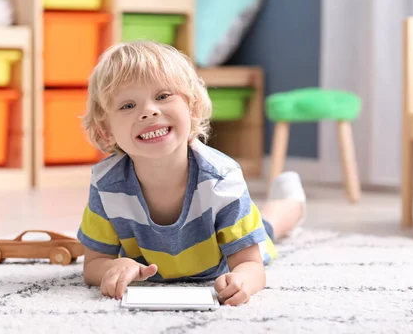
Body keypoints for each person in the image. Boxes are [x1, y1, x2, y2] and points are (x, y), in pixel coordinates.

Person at [77, 41, 306, 306]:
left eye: (163, 96)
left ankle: (292, 202)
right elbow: (93, 264)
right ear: (106, 130)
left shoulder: (221, 180)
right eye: (128, 106)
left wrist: (242, 280)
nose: (149, 111)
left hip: (219, 256)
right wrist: (113, 268)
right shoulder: (106, 185)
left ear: (193, 109)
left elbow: (251, 265)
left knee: (266, 229)